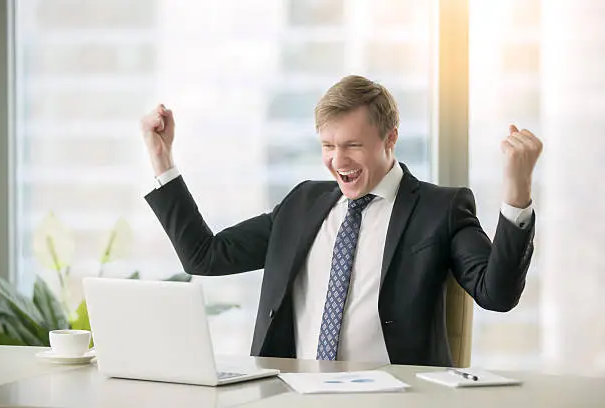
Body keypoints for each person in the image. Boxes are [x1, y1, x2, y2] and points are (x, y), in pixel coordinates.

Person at [140, 75, 542, 366]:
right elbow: (205, 256)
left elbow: (498, 294)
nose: (338, 161)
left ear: (390, 139)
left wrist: (517, 191)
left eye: (352, 145)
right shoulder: (302, 203)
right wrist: (162, 160)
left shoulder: (440, 209)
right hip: (295, 394)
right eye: (328, 146)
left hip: (394, 398)